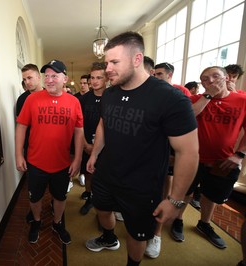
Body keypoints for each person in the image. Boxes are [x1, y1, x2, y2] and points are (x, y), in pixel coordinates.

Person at [84, 31, 199, 266]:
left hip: (142, 185)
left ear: (137, 59)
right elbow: (104, 124)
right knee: (101, 209)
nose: (108, 69)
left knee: (137, 233)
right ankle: (108, 238)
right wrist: (95, 153)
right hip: (107, 173)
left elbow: (188, 152)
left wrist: (175, 199)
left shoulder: (171, 98)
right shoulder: (110, 93)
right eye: (107, 62)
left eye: (115, 62)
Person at [171, 66, 246, 250]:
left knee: (210, 196)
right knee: (185, 192)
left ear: (227, 78)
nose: (210, 81)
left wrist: (240, 154)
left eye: (215, 77)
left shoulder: (242, 100)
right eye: (205, 79)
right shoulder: (196, 99)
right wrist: (208, 96)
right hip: (192, 158)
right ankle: (178, 220)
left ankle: (204, 223)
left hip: (222, 161)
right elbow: (186, 116)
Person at [15, 59, 84, 245]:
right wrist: (18, 155)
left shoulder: (74, 102)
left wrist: (77, 158)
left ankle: (57, 223)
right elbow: (21, 126)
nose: (50, 79)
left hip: (62, 164)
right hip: (36, 162)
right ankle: (37, 222)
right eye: (47, 76)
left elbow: (79, 131)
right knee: (35, 197)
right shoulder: (31, 99)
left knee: (60, 197)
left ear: (65, 78)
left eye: (55, 75)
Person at [146, 61, 193, 258]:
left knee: (162, 194)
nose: (156, 77)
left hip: (168, 152)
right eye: (153, 74)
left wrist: (174, 154)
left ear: (169, 75)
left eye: (159, 74)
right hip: (147, 153)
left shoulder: (178, 94)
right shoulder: (146, 93)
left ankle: (156, 235)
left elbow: (185, 133)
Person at [15, 64, 44, 224]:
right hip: (31, 149)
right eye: (24, 79)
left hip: (49, 148)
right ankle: (35, 214)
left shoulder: (50, 94)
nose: (27, 82)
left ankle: (55, 207)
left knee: (55, 186)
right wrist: (21, 153)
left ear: (39, 77)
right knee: (34, 185)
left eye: (30, 78)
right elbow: (20, 127)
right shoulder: (22, 99)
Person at [79, 62, 108, 215]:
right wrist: (85, 144)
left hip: (106, 147)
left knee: (105, 178)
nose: (95, 81)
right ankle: (89, 198)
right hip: (87, 144)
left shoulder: (113, 97)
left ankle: (104, 208)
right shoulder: (84, 99)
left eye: (99, 77)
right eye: (92, 77)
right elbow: (79, 125)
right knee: (89, 173)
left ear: (107, 78)